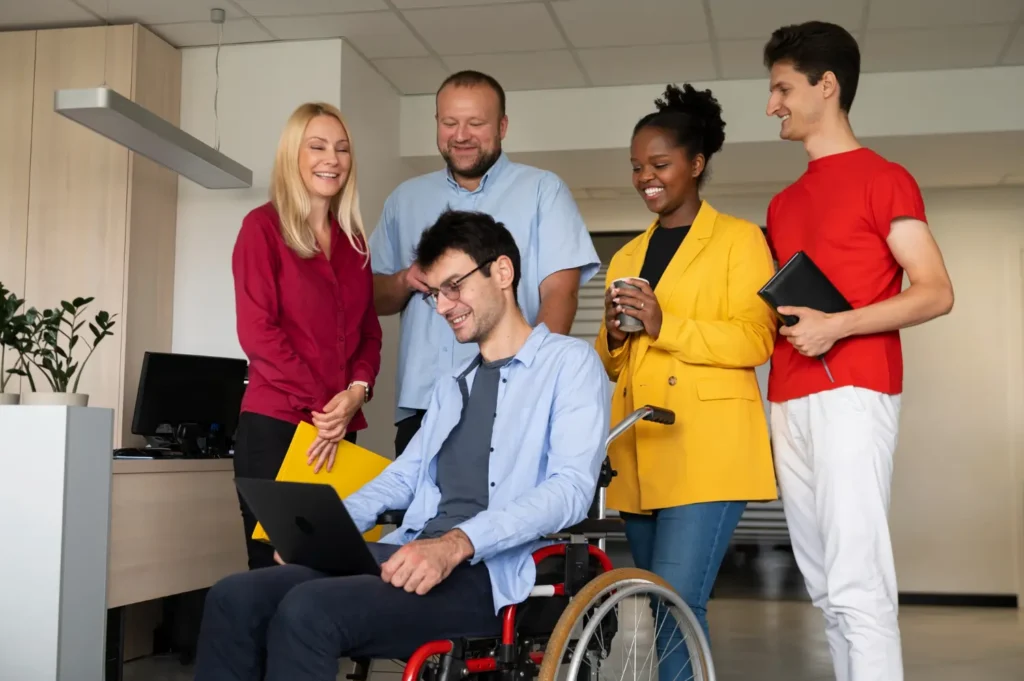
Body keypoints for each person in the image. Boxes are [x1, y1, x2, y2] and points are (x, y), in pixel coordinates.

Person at [194, 209, 611, 681]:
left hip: (491, 576)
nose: (442, 306)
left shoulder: (569, 365)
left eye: (453, 286)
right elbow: (403, 477)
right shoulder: (452, 384)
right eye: (435, 293)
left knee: (309, 611)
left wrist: (456, 544)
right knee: (235, 596)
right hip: (413, 553)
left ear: (502, 272)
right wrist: (323, 534)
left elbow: (572, 488)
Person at [762, 22, 954, 681]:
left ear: (827, 86)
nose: (773, 105)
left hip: (854, 390)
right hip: (787, 395)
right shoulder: (783, 203)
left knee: (857, 581)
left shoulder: (885, 178)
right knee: (824, 588)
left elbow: (935, 291)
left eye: (782, 88)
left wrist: (837, 326)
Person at [595, 83, 778, 680]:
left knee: (679, 603)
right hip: (640, 452)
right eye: (637, 168)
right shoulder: (626, 256)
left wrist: (664, 322)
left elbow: (756, 338)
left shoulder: (739, 240)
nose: (646, 177)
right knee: (651, 604)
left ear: (695, 165)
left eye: (660, 165)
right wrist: (615, 338)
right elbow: (616, 361)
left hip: (707, 453)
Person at [369, 70, 601, 456]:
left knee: (505, 516)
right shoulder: (404, 199)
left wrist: (525, 384)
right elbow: (374, 298)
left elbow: (561, 294)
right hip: (423, 406)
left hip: (509, 401)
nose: (461, 135)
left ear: (502, 126)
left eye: (476, 123)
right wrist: (407, 279)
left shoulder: (543, 190)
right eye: (449, 123)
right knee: (421, 516)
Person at [231, 102, 382, 570]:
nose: (331, 159)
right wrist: (326, 407)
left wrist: (356, 393)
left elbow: (368, 335)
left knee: (332, 569)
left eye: (341, 149)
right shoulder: (261, 229)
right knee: (277, 570)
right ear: (292, 156)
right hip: (277, 426)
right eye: (317, 147)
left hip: (337, 431)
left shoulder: (354, 241)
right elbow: (258, 333)